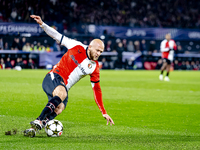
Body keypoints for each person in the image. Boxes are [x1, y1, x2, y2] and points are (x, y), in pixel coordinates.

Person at [24, 15, 114, 137]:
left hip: (63, 87)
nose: (99, 54)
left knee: (60, 107)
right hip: (54, 77)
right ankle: (39, 120)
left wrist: (103, 111)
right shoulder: (76, 46)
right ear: (90, 46)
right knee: (62, 94)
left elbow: (97, 89)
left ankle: (33, 129)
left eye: (101, 52)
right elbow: (56, 35)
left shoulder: (94, 67)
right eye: (97, 50)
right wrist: (42, 24)